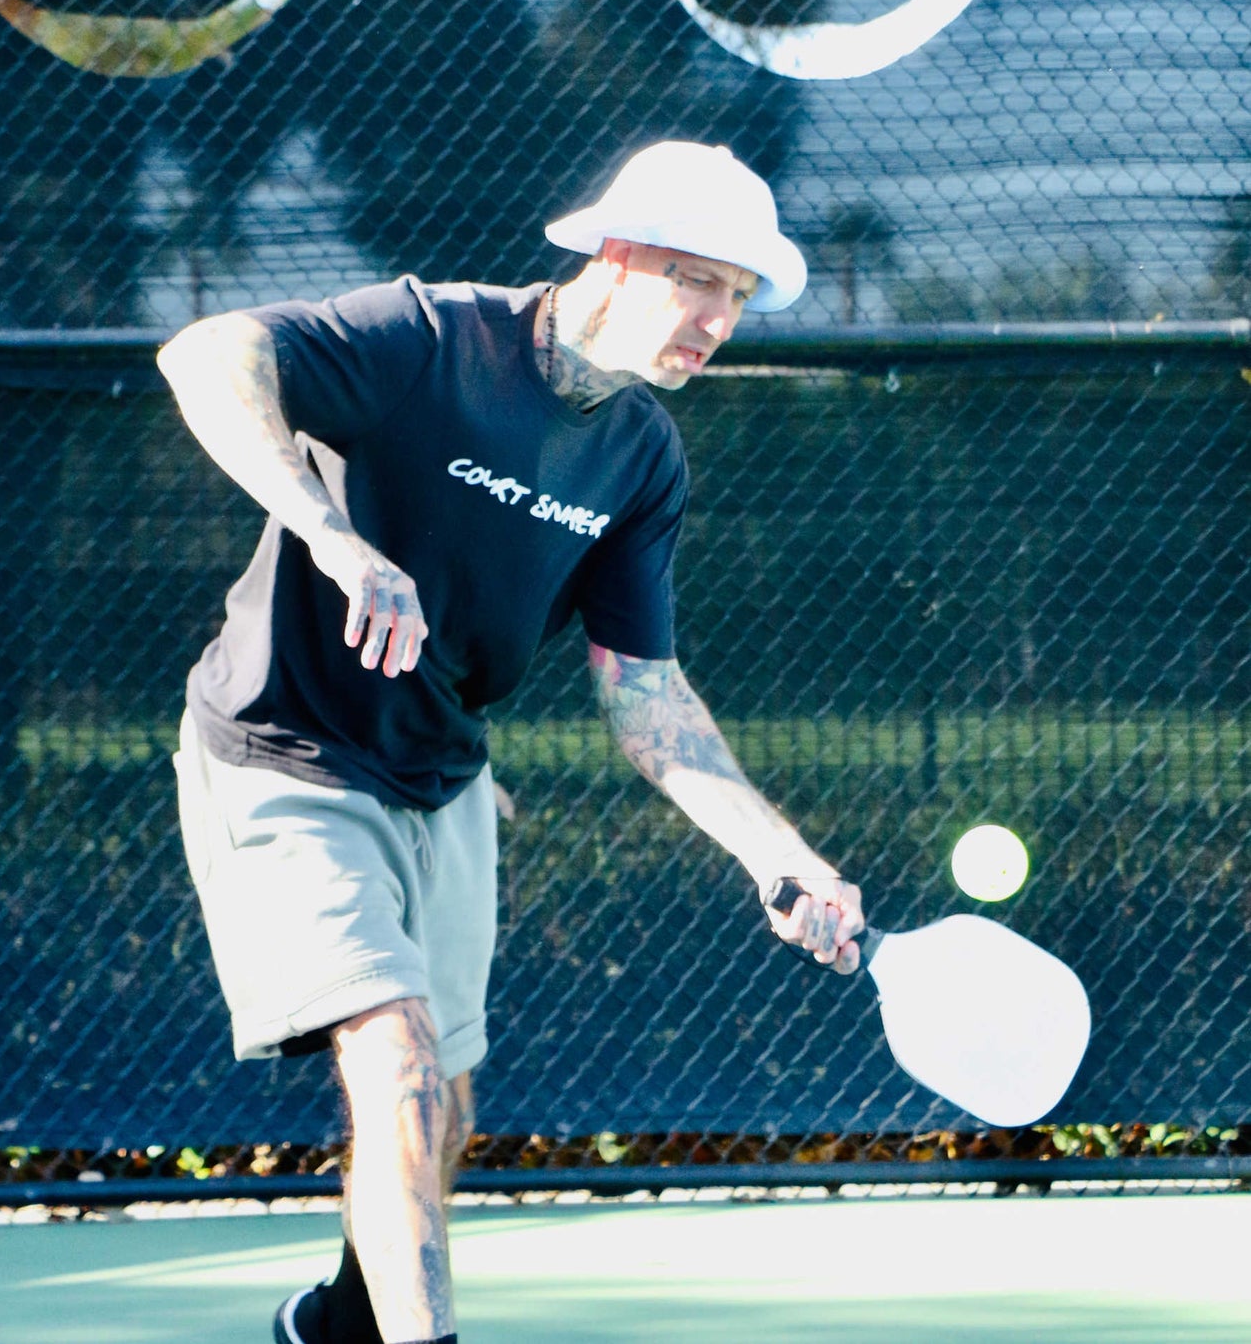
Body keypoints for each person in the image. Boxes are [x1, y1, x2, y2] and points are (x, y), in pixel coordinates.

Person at [157, 139, 865, 1344]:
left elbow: (645, 691)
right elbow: (205, 353)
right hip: (283, 748)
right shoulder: (426, 337)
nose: (719, 322)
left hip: (442, 776)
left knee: (444, 1103)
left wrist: (774, 851)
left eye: (740, 298)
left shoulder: (640, 454)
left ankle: (334, 1321)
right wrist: (332, 536)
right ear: (622, 253)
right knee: (392, 1058)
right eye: (701, 282)